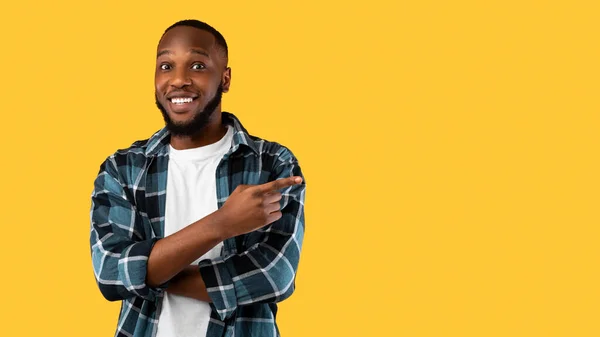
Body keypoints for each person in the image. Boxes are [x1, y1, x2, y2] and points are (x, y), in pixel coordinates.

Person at [89, 19, 306, 337]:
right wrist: (223, 223)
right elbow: (110, 273)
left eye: (197, 65)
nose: (178, 80)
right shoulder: (123, 169)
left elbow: (275, 275)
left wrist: (148, 271)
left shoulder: (272, 164)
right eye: (166, 65)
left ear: (226, 78)